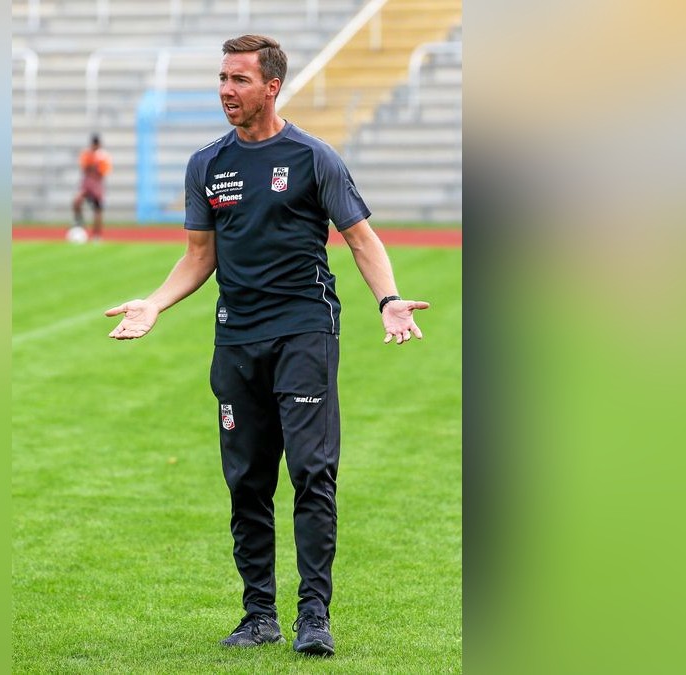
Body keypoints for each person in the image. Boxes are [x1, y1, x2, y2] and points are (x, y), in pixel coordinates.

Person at [104, 34, 429, 657]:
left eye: (240, 80)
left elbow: (362, 238)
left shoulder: (313, 157)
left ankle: (314, 616)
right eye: (223, 79)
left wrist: (387, 301)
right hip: (236, 339)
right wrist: (154, 302)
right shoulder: (206, 164)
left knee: (311, 473)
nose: (227, 90)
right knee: (247, 480)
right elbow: (199, 257)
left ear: (271, 86)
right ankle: (258, 616)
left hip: (305, 330)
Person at [72, 134, 112, 241]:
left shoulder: (103, 155)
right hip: (87, 184)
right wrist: (93, 166)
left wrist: (94, 167)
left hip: (97, 185)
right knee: (77, 201)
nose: (94, 146)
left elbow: (102, 172)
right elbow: (84, 167)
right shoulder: (87, 154)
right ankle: (79, 223)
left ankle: (96, 234)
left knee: (97, 209)